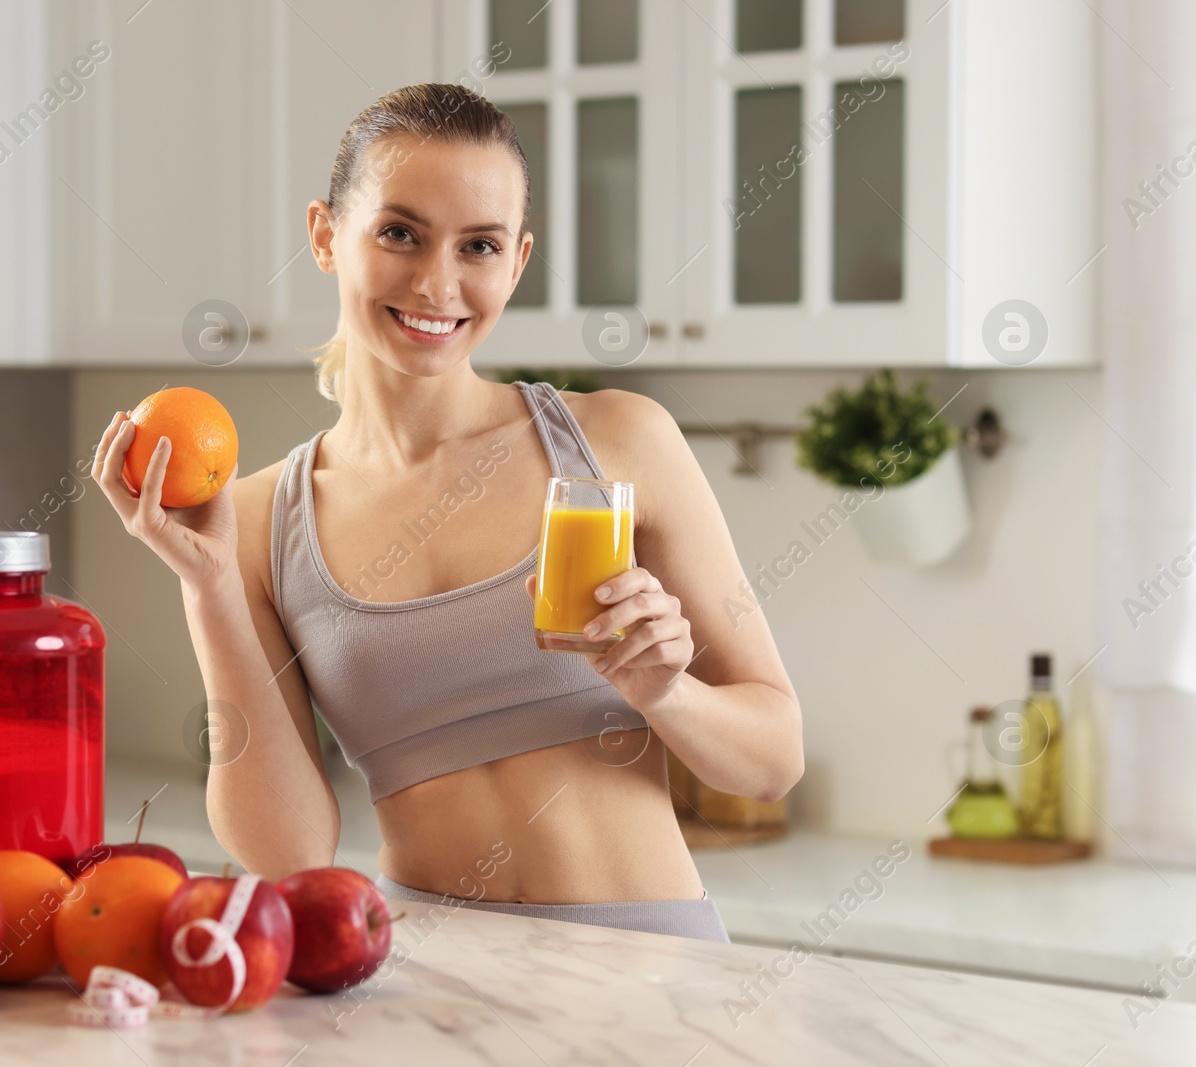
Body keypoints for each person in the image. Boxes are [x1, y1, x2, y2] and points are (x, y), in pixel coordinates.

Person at [91, 82, 802, 940]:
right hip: (429, 983)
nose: (437, 283)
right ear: (324, 235)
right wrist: (206, 589)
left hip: (651, 969)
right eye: (399, 233)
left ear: (518, 262)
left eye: (479, 246)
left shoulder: (617, 441)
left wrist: (667, 694)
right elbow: (290, 855)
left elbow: (773, 760)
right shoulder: (252, 520)